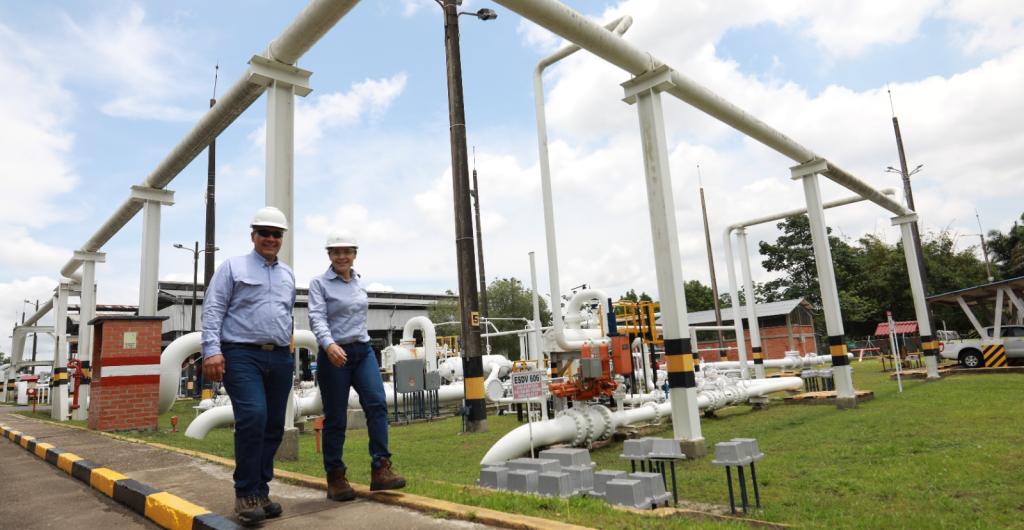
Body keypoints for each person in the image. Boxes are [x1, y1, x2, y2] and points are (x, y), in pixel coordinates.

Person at [202, 206, 296, 526]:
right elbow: (214, 309)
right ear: (252, 235)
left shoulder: (287, 274)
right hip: (241, 354)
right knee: (253, 416)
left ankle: (261, 490)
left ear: (281, 238)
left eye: (276, 234)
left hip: (280, 356)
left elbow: (286, 314)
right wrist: (212, 351)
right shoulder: (233, 267)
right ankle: (245, 493)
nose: (270, 238)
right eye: (264, 233)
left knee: (273, 426)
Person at [309, 230, 405, 501]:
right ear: (329, 255)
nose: (342, 256)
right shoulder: (319, 283)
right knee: (337, 417)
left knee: (376, 404)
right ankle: (336, 477)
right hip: (333, 355)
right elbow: (317, 318)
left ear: (354, 255)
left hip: (362, 351)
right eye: (336, 251)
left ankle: (381, 468)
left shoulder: (359, 282)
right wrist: (329, 345)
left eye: (347, 251)